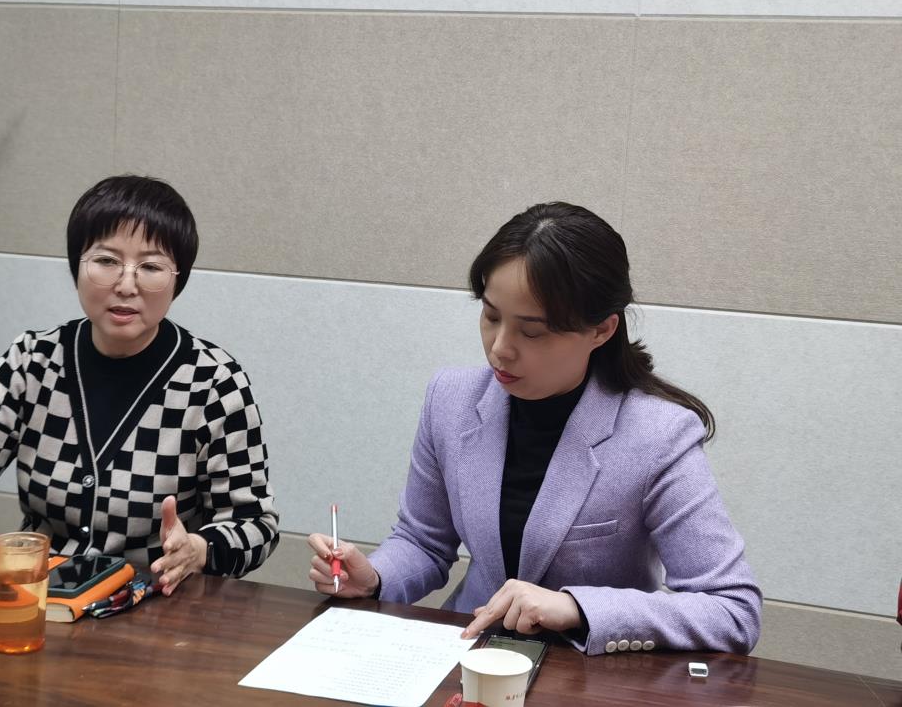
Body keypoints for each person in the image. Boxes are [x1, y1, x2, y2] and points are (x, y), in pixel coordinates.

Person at [308, 201, 761, 655]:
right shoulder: (450, 399)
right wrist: (375, 577)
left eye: (532, 331)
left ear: (601, 330)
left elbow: (732, 610)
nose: (500, 349)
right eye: (491, 316)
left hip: (585, 673)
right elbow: (423, 541)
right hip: (469, 654)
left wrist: (578, 607)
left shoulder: (659, 434)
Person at [0, 175, 279, 594]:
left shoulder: (213, 382)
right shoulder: (33, 361)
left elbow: (256, 525)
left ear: (178, 279)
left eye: (151, 267)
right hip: (40, 599)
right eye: (106, 261)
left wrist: (199, 549)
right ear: (76, 265)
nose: (126, 285)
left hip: (156, 607)